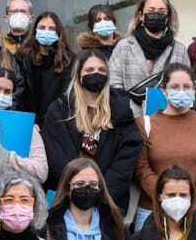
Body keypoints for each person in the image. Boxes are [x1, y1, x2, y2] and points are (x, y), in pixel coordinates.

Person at [41, 52, 144, 213]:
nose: (96, 74)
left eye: (102, 70)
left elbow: (127, 157)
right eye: (89, 70)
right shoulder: (60, 109)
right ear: (78, 74)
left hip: (109, 202)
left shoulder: (121, 111)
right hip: (66, 199)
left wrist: (100, 193)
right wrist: (78, 188)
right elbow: (55, 155)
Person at [135, 63, 196, 225]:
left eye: (187, 87)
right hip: (152, 211)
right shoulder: (144, 125)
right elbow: (141, 168)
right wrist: (165, 197)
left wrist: (189, 201)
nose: (181, 91)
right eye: (175, 87)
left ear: (194, 90)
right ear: (164, 90)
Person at [0, 69, 50, 185]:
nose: (1, 95)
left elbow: (41, 172)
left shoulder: (25, 126)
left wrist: (7, 156)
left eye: (7, 92)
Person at [108, 0, 179, 103]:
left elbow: (184, 87)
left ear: (168, 17)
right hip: (131, 116)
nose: (156, 14)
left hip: (167, 115)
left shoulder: (179, 50)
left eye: (162, 11)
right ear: (140, 15)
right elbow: (114, 84)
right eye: (151, 11)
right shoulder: (124, 46)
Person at [18, 11, 74, 115]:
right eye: (42, 28)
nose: (46, 31)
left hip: (56, 120)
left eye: (52, 29)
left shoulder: (69, 61)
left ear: (58, 33)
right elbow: (19, 94)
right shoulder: (22, 58)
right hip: (28, 121)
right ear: (35, 31)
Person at [0, 0, 33, 71]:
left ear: (31, 18)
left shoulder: (36, 44)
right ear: (6, 18)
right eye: (14, 11)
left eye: (23, 11)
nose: (19, 15)